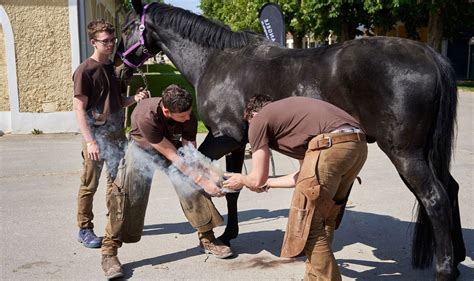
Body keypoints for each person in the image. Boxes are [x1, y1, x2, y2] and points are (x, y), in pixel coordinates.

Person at [224, 95, 368, 281]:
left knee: (307, 227)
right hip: (357, 145)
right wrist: (267, 183)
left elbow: (256, 179)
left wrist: (242, 179)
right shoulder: (295, 120)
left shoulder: (259, 118)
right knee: (325, 219)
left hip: (332, 145)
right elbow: (302, 175)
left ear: (253, 113)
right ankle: (313, 278)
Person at [101, 85, 232, 279]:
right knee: (125, 197)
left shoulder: (188, 116)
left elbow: (190, 155)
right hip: (142, 150)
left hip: (173, 147)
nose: (188, 118)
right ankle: (109, 252)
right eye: (183, 116)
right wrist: (204, 182)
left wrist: (209, 176)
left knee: (192, 187)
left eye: (189, 114)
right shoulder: (146, 116)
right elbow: (172, 156)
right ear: (166, 111)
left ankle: (207, 238)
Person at [73, 19, 149, 249]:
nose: (110, 45)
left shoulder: (111, 69)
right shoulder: (85, 71)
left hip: (117, 136)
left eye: (112, 40)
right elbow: (79, 108)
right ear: (93, 42)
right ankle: (84, 228)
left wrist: (134, 99)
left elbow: (116, 102)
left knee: (116, 184)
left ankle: (112, 222)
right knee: (89, 185)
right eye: (105, 41)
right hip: (96, 138)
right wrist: (90, 141)